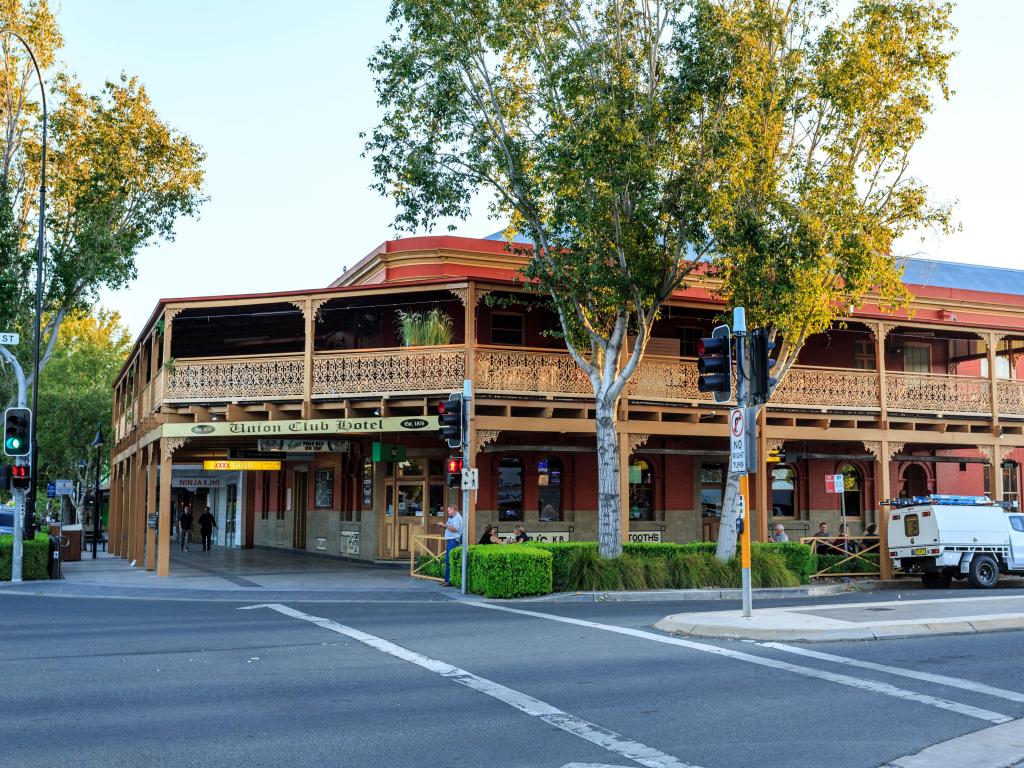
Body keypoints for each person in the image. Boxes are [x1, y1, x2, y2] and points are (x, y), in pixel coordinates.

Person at [436, 505, 463, 585]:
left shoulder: (457, 518)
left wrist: (445, 525)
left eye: (449, 511)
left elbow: (455, 529)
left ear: (454, 510)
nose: (448, 512)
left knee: (449, 560)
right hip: (450, 540)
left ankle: (449, 581)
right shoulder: (451, 517)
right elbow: (449, 527)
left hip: (454, 541)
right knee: (448, 561)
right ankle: (446, 580)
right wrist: (443, 526)